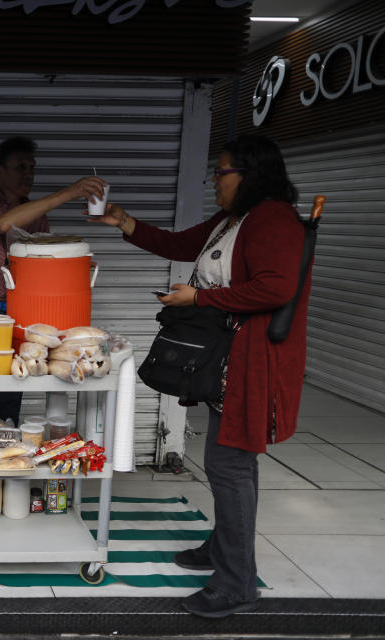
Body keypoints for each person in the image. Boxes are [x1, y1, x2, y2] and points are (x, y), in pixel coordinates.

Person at [89, 134, 308, 618]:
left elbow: (275, 287)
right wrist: (125, 222)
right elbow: (182, 244)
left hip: (250, 362)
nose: (215, 180)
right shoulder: (235, 218)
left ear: (249, 173)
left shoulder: (272, 218)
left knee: (229, 468)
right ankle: (222, 550)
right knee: (233, 466)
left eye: (222, 171)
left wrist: (199, 298)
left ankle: (236, 584)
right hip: (227, 357)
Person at [0, 136, 106, 427]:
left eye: (32, 168)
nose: (28, 174)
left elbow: (40, 262)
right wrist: (71, 192)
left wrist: (71, 267)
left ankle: (5, 459)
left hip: (16, 313)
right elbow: (2, 224)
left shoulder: (37, 216)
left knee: (13, 386)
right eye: (20, 167)